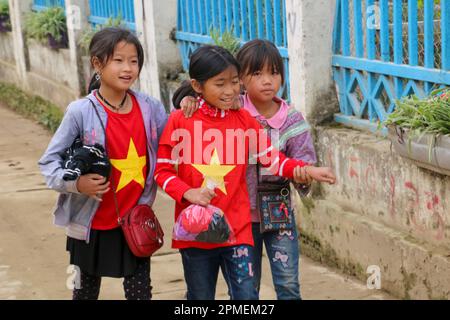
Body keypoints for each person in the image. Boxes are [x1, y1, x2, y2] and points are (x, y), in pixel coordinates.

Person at [155, 45, 336, 300]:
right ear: (197, 86)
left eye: (234, 82)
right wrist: (189, 193)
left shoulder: (245, 121)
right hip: (195, 232)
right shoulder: (179, 121)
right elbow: (161, 171)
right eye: (220, 84)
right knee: (199, 297)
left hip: (237, 231)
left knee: (246, 296)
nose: (230, 91)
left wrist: (307, 169)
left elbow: (273, 160)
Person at [38, 27, 168, 300]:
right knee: (84, 294)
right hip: (88, 225)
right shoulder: (80, 111)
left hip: (134, 221)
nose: (128, 68)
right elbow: (49, 162)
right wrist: (76, 183)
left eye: (134, 61)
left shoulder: (150, 108)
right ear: (97, 63)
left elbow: (174, 139)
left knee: (140, 293)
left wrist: (186, 100)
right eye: (118, 60)